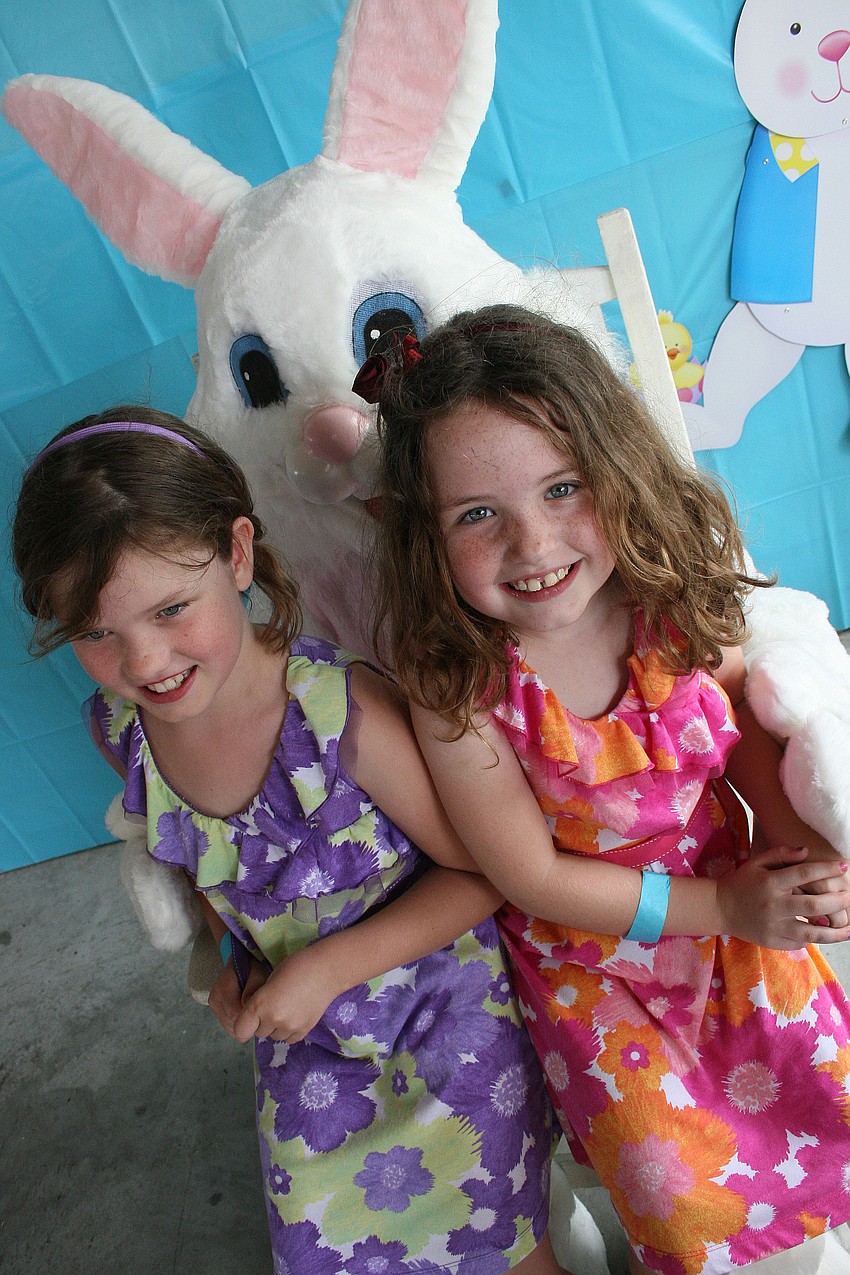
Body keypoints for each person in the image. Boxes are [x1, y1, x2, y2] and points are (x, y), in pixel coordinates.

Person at [12, 406, 567, 1275]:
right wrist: (237, 977)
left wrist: (328, 968)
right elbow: (211, 879)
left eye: (170, 608)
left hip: (446, 1016)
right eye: (95, 633)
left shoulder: (338, 713)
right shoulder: (124, 730)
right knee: (323, 1243)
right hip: (311, 1043)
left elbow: (482, 877)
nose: (146, 660)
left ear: (238, 553)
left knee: (498, 1240)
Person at [369, 306, 850, 1275]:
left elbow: (739, 730)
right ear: (426, 532)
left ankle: (808, 1230)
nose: (532, 544)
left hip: (727, 900)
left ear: (614, 469)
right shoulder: (456, 684)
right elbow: (531, 875)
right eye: (477, 515)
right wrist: (724, 905)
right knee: (670, 1182)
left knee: (824, 1078)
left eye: (561, 489)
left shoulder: (661, 588)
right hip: (594, 956)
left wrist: (794, 847)